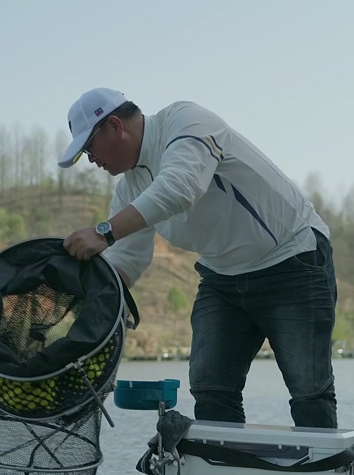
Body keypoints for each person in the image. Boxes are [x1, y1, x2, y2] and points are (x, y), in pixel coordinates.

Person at [60, 87, 337, 428]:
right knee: (211, 389)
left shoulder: (186, 121)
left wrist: (102, 232)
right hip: (221, 279)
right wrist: (93, 316)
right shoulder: (128, 189)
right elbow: (125, 262)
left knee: (309, 392)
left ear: (115, 126)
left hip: (292, 261)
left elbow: (179, 188)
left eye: (89, 148)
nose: (91, 160)